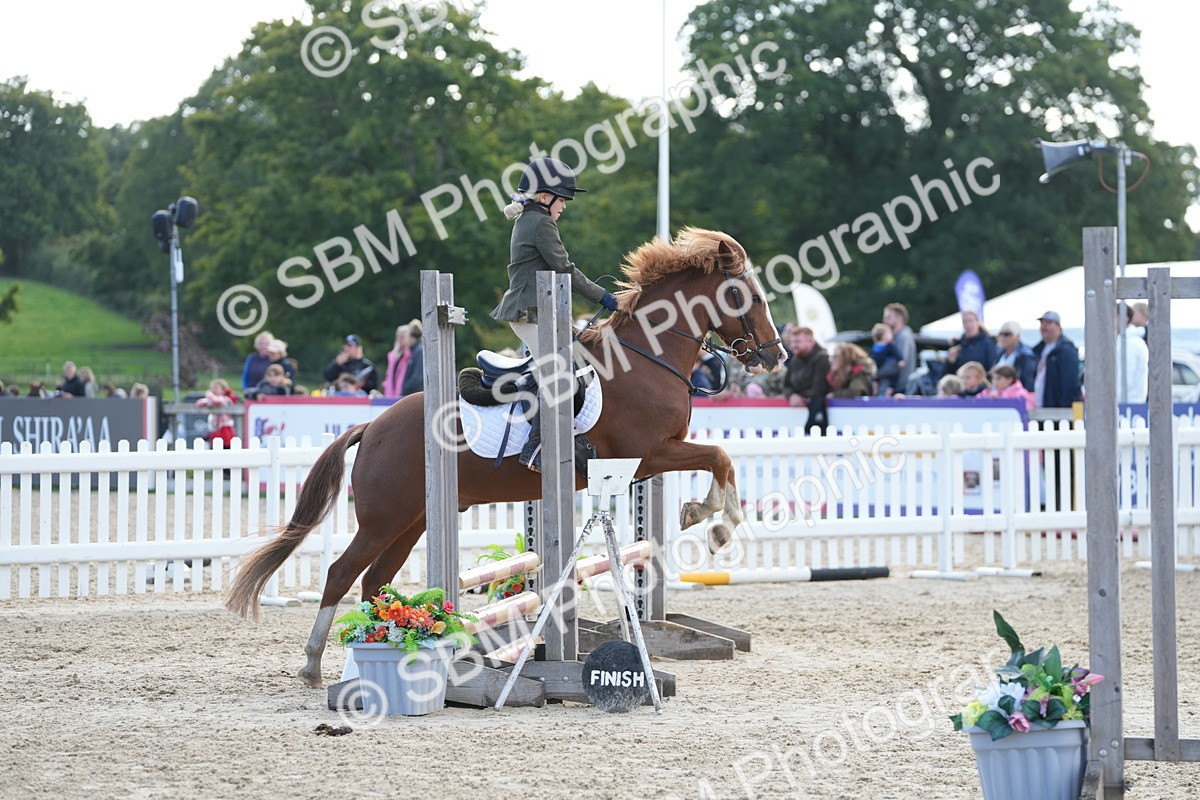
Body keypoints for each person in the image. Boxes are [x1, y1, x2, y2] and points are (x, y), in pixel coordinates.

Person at [490, 157, 618, 471]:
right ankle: (535, 448)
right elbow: (565, 269)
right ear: (546, 197)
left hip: (536, 313)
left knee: (576, 365)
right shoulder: (541, 223)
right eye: (563, 200)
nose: (565, 207)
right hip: (530, 314)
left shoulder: (530, 219)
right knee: (562, 375)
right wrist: (602, 296)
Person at [781, 327, 831, 434]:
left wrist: (800, 397)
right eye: (792, 342)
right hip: (800, 416)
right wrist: (791, 395)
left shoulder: (822, 358)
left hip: (818, 411)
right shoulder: (795, 359)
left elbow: (819, 389)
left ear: (810, 341)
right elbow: (786, 385)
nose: (793, 345)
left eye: (798, 341)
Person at [1032, 311, 1081, 409]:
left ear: (1059, 326)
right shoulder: (1038, 350)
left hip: (1056, 410)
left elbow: (1070, 382)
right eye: (1042, 323)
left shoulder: (1066, 350)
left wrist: (1065, 408)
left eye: (1049, 323)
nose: (1044, 326)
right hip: (1040, 407)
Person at [1116, 304, 1149, 404]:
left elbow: (1125, 380)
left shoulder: (1129, 344)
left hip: (1127, 406)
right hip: (1130, 405)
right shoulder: (1127, 342)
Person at [382, 320, 424, 398]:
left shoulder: (418, 351)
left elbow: (417, 378)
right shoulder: (415, 351)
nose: (400, 340)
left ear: (411, 336)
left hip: (411, 396)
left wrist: (404, 390)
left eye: (404, 336)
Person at [883, 303, 917, 391]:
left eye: (888, 317)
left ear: (900, 318)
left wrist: (876, 371)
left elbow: (899, 363)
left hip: (899, 389)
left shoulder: (903, 337)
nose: (884, 321)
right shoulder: (898, 336)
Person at [993, 321, 1036, 391]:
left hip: (1016, 396)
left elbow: (1028, 381)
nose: (1003, 337)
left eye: (1007, 334)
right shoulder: (999, 354)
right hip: (999, 397)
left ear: (1017, 337)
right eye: (1001, 334)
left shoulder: (1026, 356)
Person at [196, 378, 239, 448]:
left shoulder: (226, 399)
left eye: (216, 388)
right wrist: (208, 400)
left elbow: (217, 401)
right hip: (215, 428)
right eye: (212, 388)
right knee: (214, 446)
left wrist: (209, 395)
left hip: (225, 429)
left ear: (223, 390)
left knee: (226, 447)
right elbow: (199, 403)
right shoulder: (211, 399)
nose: (214, 390)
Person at [869, 323, 905, 396]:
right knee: (894, 373)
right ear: (885, 336)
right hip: (884, 370)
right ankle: (886, 388)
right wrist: (900, 360)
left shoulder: (876, 347)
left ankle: (883, 387)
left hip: (882, 370)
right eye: (890, 333)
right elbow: (896, 353)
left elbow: (897, 353)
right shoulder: (888, 345)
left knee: (887, 379)